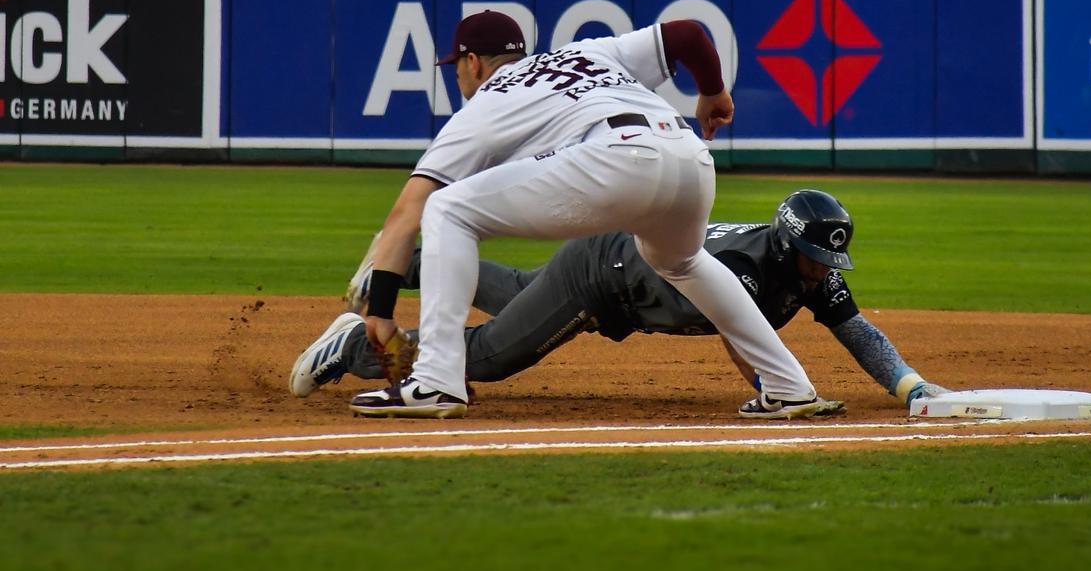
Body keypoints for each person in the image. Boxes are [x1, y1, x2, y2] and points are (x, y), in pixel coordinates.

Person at [346, 11, 829, 420]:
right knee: (682, 262)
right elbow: (688, 33)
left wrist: (381, 312)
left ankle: (435, 380)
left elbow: (407, 210)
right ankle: (789, 386)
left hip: (619, 159)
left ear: (472, 63)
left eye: (455, 67)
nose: (457, 77)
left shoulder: (486, 103)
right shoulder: (587, 53)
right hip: (690, 160)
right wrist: (713, 93)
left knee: (447, 207)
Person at [293, 191, 951, 415]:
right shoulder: (750, 266)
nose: (823, 272)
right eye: (814, 259)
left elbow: (857, 330)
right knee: (487, 358)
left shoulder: (808, 271)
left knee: (520, 292)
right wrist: (778, 391)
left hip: (610, 259)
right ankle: (355, 346)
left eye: (829, 262)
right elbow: (741, 335)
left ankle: (400, 263)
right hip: (602, 280)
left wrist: (911, 387)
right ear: (786, 246)